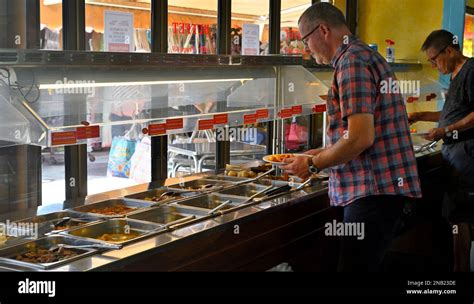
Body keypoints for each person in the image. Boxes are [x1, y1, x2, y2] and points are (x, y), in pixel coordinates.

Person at [280, 2, 422, 271]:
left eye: (305, 41)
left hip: (371, 191)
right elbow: (359, 131)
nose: (306, 50)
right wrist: (321, 152)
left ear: (323, 30)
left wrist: (312, 165)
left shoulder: (351, 62)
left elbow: (360, 139)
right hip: (379, 190)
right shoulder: (363, 55)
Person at [409, 29, 474, 272]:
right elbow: (452, 112)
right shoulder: (456, 76)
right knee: (457, 215)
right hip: (455, 153)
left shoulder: (471, 71)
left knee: (461, 215)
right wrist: (420, 115)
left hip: (467, 155)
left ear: (450, 50)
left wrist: (446, 131)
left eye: (435, 59)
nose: (434, 65)